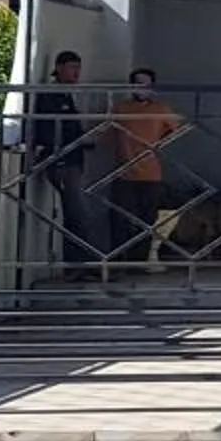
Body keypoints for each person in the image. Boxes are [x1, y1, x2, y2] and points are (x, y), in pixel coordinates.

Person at [27, 49, 100, 279]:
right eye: (72, 68)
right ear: (59, 68)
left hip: (72, 159)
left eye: (79, 68)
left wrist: (86, 139)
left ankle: (80, 265)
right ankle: (78, 266)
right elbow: (50, 131)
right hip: (62, 162)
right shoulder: (51, 95)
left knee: (76, 214)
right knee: (78, 215)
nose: (77, 73)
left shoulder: (66, 94)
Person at [106, 67, 183, 263]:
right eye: (137, 83)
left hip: (150, 173)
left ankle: (140, 261)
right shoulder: (121, 108)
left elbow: (177, 130)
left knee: (147, 220)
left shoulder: (160, 109)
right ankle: (118, 261)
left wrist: (157, 144)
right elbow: (105, 131)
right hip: (123, 172)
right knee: (119, 218)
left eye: (145, 84)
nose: (141, 87)